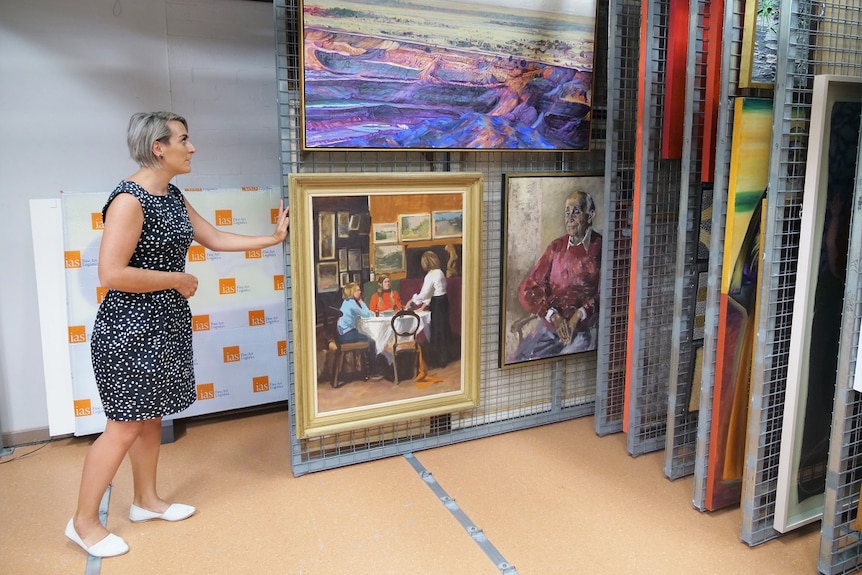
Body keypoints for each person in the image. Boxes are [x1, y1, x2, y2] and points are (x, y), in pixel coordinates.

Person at [66, 111, 290, 558]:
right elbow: (112, 273)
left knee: (150, 419)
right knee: (124, 426)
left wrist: (271, 239)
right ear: (158, 147)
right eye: (184, 140)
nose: (192, 148)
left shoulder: (170, 194)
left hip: (163, 324)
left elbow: (211, 236)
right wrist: (176, 280)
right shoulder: (129, 199)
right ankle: (83, 522)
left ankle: (146, 502)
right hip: (129, 329)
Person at [510, 189, 601, 362]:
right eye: (567, 213)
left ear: (590, 216)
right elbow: (528, 288)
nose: (570, 219)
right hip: (550, 328)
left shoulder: (600, 247)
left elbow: (606, 293)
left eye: (576, 212)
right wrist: (553, 315)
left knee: (565, 363)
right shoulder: (557, 246)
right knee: (519, 359)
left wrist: (579, 315)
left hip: (582, 331)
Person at [408, 250, 452, 368]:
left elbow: (425, 294)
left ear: (426, 262)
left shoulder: (431, 275)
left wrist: (411, 304)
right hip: (444, 301)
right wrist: (422, 304)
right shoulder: (440, 272)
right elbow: (432, 292)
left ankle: (438, 360)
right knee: (443, 329)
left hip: (437, 303)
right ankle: (444, 357)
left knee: (437, 330)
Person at [336, 282, 378, 378]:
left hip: (343, 333)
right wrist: (361, 301)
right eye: (357, 290)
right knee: (371, 341)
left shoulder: (346, 302)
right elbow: (367, 314)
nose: (360, 292)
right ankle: (373, 371)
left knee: (366, 337)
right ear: (351, 292)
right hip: (346, 334)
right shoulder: (352, 304)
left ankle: (367, 369)